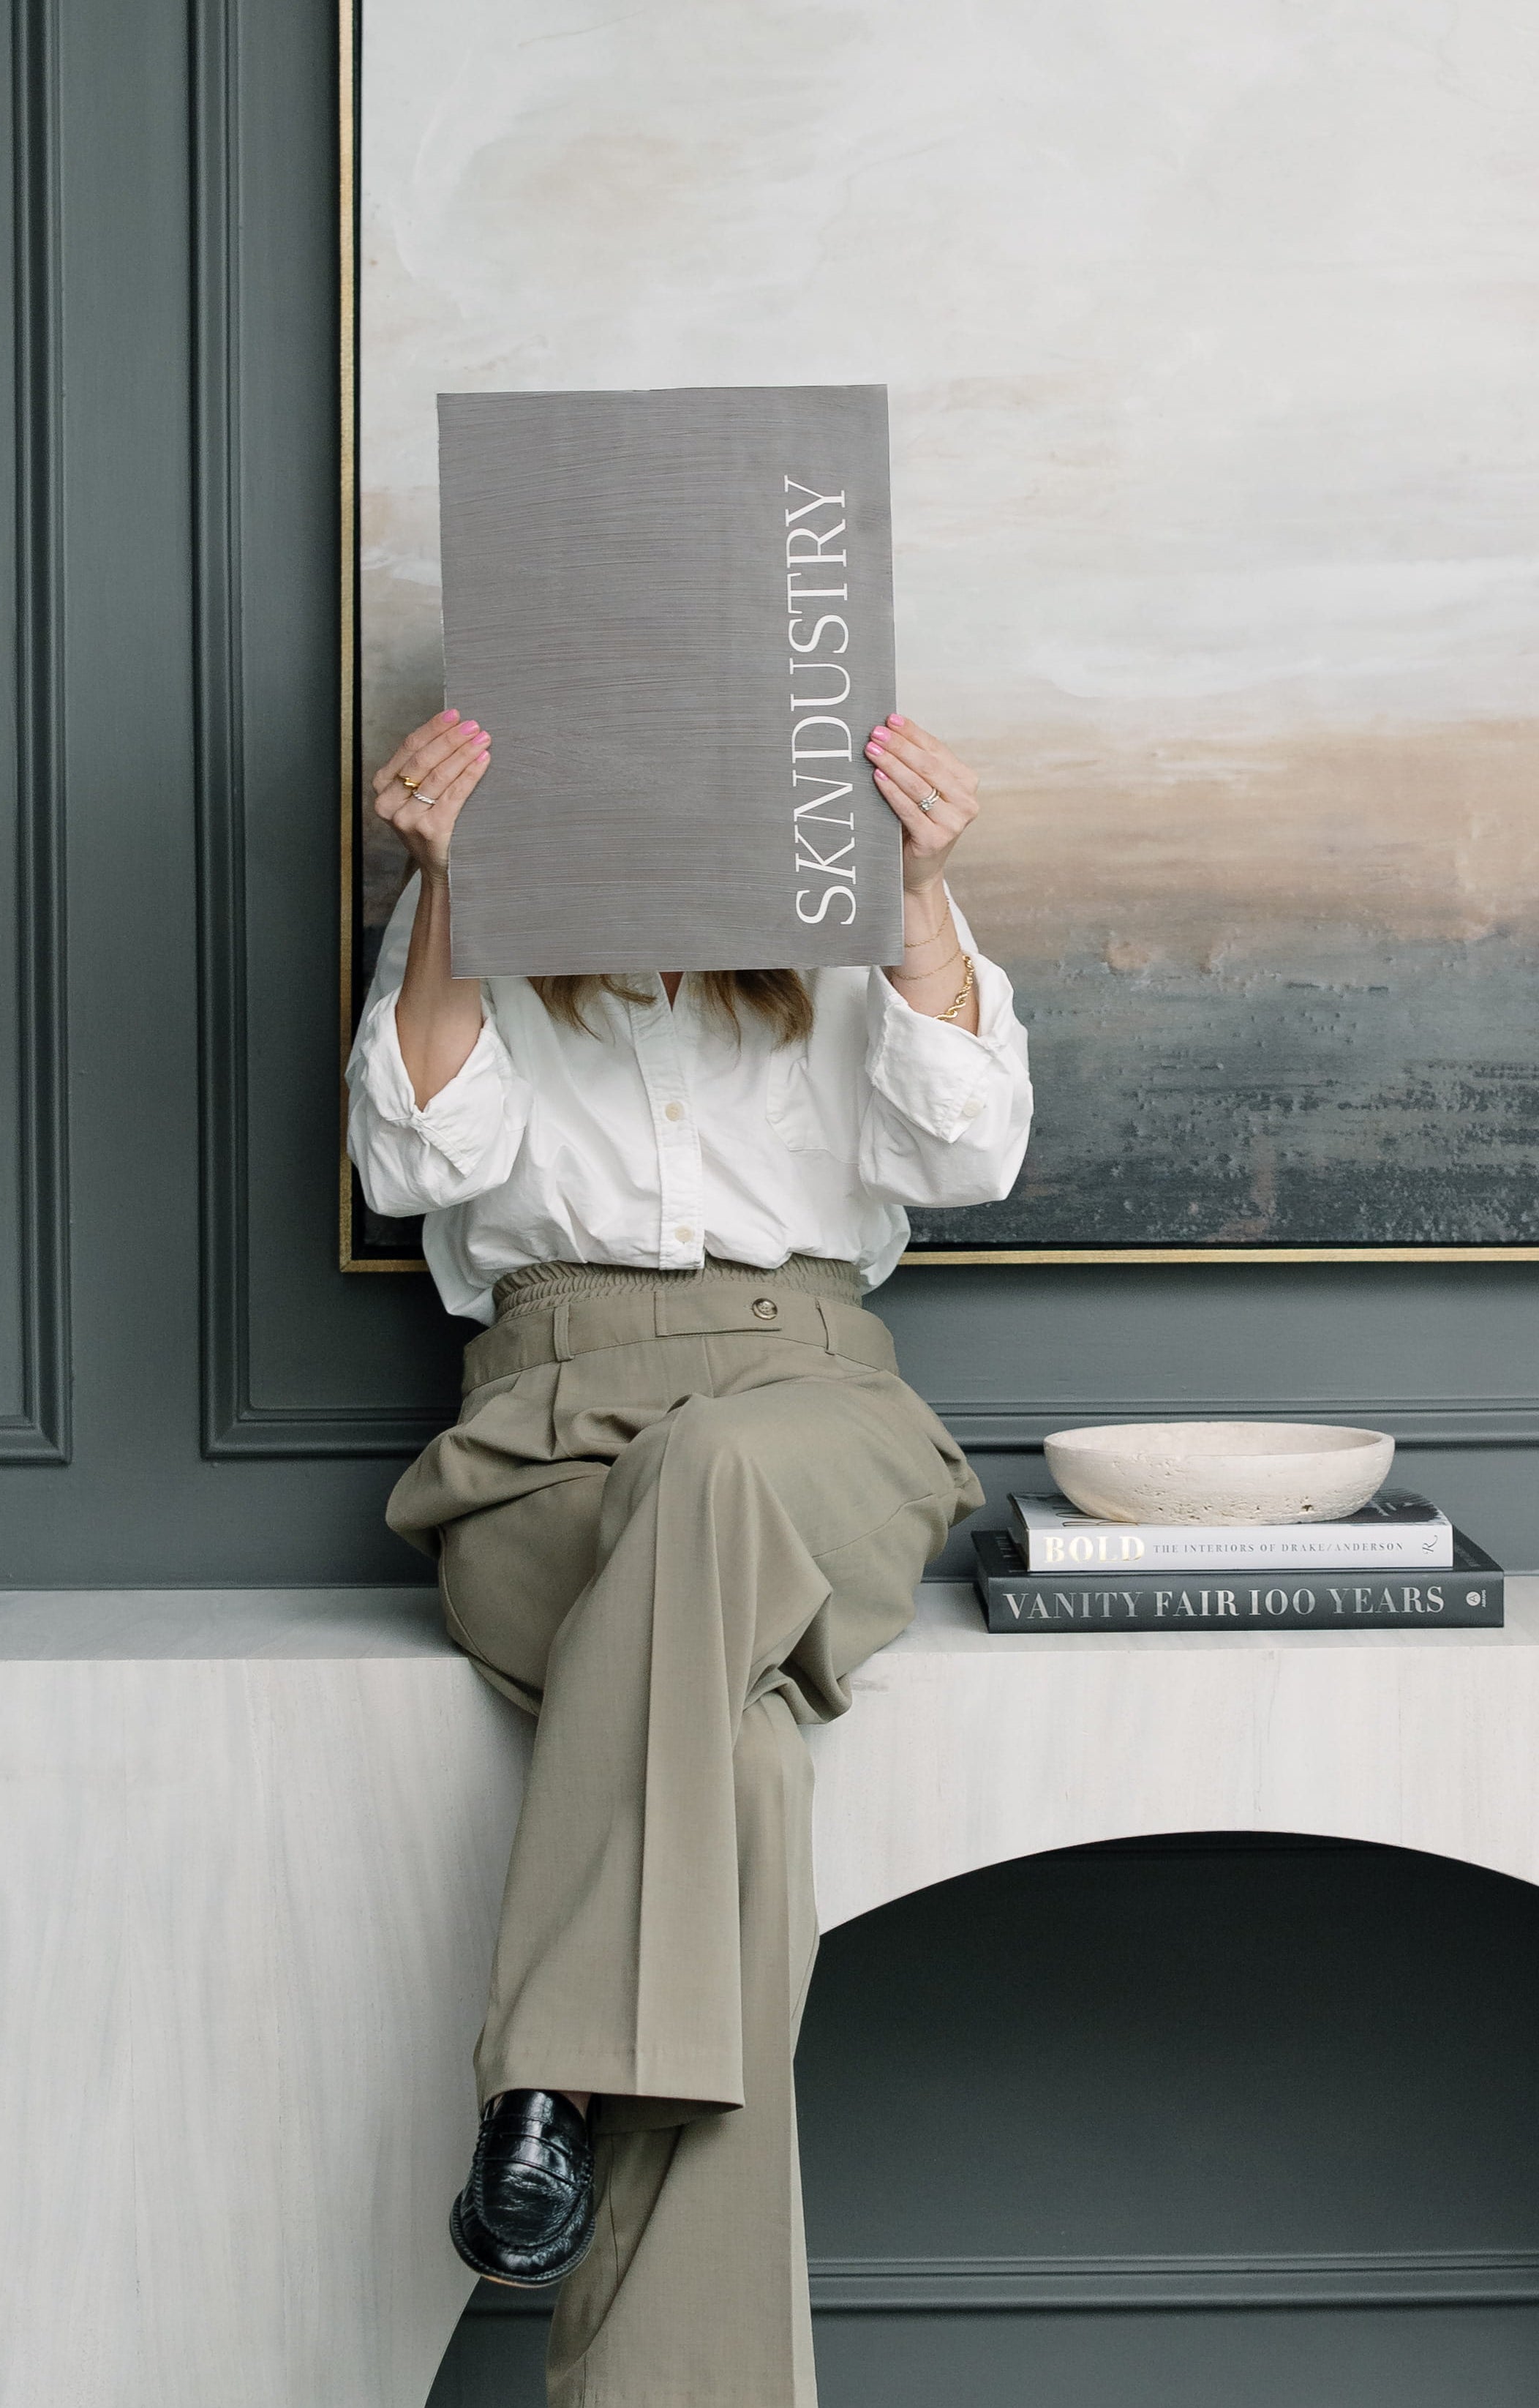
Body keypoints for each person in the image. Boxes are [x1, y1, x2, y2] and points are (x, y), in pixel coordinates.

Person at [346, 705, 1030, 2407]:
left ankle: (543, 2086)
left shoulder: (846, 901)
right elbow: (410, 1156)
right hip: (541, 1449)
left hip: (806, 1421)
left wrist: (923, 886)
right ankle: (588, 2119)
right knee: (731, 1777)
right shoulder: (470, 906)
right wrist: (450, 891)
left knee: (720, 1464)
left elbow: (969, 1152)